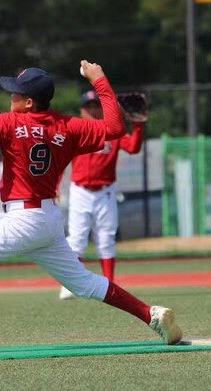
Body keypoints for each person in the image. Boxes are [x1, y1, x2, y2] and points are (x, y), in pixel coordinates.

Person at [0, 61, 182, 358]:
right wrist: (99, 79)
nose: (10, 97)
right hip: (49, 220)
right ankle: (151, 315)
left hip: (24, 219)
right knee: (82, 283)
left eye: (15, 94)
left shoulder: (8, 123)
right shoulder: (68, 126)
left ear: (28, 102)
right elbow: (116, 128)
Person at [59, 90, 146, 300]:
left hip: (105, 191)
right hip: (80, 190)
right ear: (81, 110)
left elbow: (133, 148)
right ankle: (73, 283)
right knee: (77, 238)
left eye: (96, 106)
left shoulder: (112, 131)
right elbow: (59, 159)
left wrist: (138, 125)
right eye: (88, 107)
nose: (92, 110)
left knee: (106, 238)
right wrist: (55, 187)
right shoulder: (74, 131)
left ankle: (110, 285)